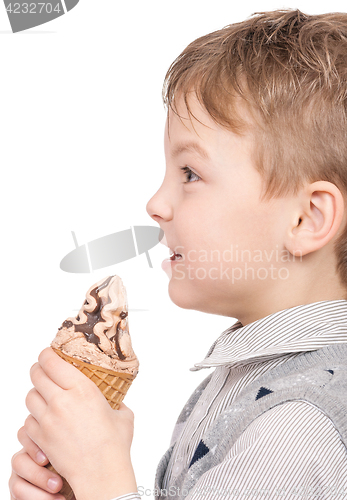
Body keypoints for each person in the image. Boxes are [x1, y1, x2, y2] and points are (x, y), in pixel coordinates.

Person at [9, 8, 347, 500]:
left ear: (306, 219)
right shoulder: (261, 378)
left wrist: (106, 480)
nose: (156, 204)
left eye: (190, 174)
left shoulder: (296, 428)